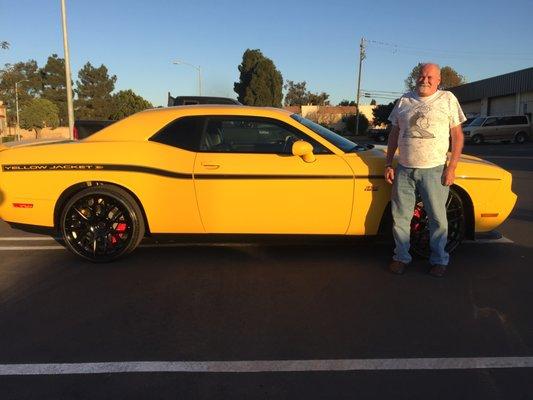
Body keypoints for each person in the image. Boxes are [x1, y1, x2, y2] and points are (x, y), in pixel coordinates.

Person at [384, 63, 465, 277]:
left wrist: (452, 167)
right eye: (421, 76)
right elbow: (394, 134)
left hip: (434, 170)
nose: (425, 80)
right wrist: (388, 163)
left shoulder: (447, 99)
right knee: (400, 217)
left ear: (438, 80)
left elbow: (457, 136)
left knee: (437, 218)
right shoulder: (404, 100)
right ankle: (401, 257)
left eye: (430, 77)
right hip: (404, 169)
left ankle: (439, 260)